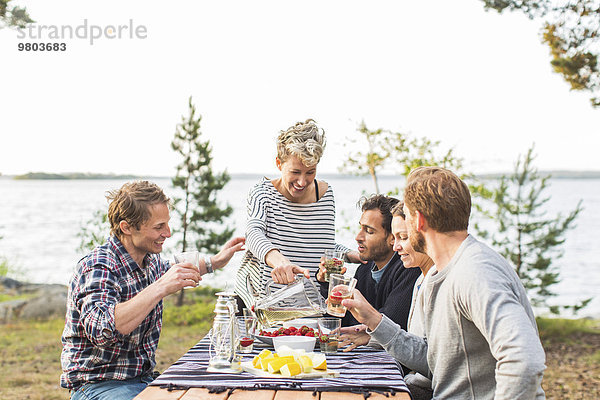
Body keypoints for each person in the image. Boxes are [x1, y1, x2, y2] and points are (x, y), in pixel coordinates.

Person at [343, 167, 546, 399]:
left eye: (406, 218)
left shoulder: (476, 271)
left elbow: (524, 359)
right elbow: (435, 362)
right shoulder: (438, 275)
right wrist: (374, 321)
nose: (395, 238)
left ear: (418, 220)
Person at [60, 181, 245, 400]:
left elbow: (177, 269)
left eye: (167, 224)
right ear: (126, 227)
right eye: (159, 227)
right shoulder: (98, 267)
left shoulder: (150, 261)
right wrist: (160, 287)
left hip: (144, 380)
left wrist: (216, 261)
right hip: (98, 386)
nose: (167, 233)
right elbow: (103, 331)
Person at [234, 119, 361, 309]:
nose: (302, 182)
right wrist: (280, 261)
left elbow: (317, 243)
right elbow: (253, 234)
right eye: (295, 172)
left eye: (310, 172)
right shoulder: (262, 193)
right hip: (266, 305)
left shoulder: (326, 195)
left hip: (311, 307)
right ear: (279, 163)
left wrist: (348, 254)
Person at [316, 195, 420, 329]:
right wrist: (329, 283)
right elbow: (340, 322)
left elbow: (389, 324)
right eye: (360, 228)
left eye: (369, 231)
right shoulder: (365, 269)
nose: (358, 237)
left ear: (392, 237)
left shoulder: (409, 269)